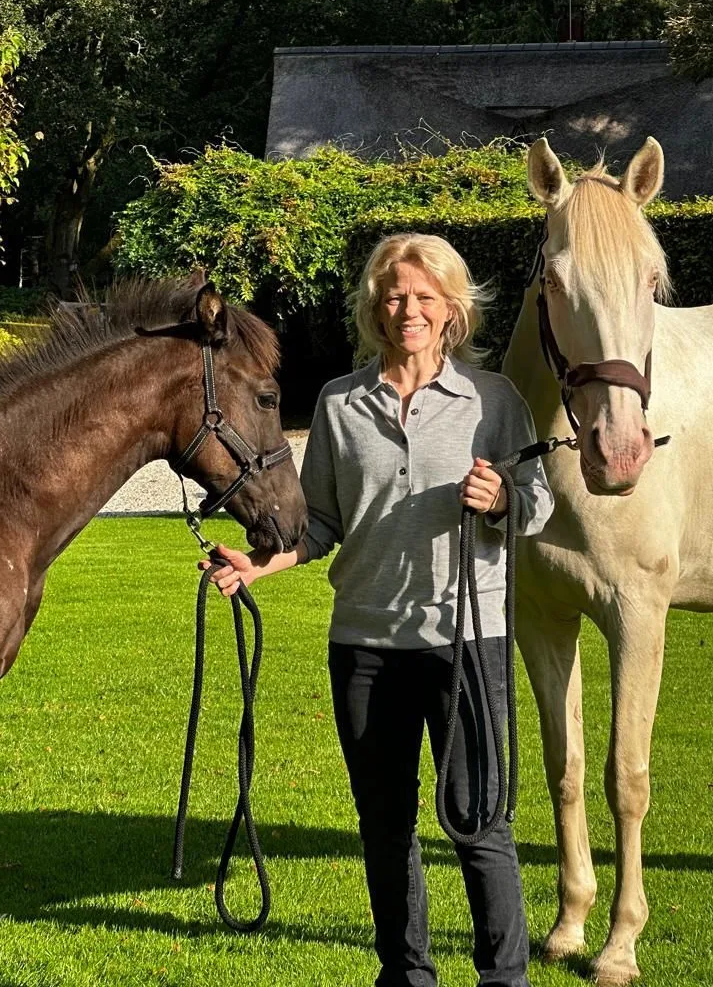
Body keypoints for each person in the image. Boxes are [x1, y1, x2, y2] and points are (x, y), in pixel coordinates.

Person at [204, 232, 553, 987]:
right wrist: (260, 564)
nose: (409, 309)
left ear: (452, 307)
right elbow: (323, 521)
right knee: (385, 828)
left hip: (466, 638)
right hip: (364, 642)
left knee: (478, 821)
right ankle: (406, 975)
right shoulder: (340, 402)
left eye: (425, 296)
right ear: (375, 305)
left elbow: (539, 506)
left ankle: (505, 978)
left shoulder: (493, 401)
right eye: (395, 295)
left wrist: (501, 500)